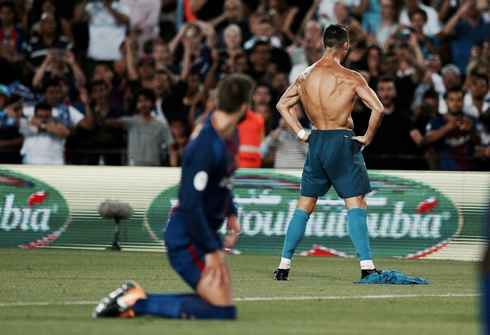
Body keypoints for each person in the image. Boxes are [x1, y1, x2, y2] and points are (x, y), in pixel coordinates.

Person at [92, 73, 254, 320]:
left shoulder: (230, 135)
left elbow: (223, 181)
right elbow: (189, 203)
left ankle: (133, 299)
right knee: (223, 311)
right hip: (187, 238)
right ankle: (134, 302)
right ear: (244, 107)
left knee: (221, 307)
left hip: (204, 234)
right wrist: (211, 251)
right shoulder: (207, 144)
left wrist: (231, 212)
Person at [273, 24, 384, 281]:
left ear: (324, 44)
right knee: (356, 203)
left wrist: (302, 134)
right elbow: (377, 109)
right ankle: (367, 266)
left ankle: (283, 266)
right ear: (346, 45)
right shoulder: (351, 77)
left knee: (305, 204)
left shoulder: (305, 76)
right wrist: (367, 137)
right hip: (341, 140)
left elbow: (282, 105)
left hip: (317, 141)